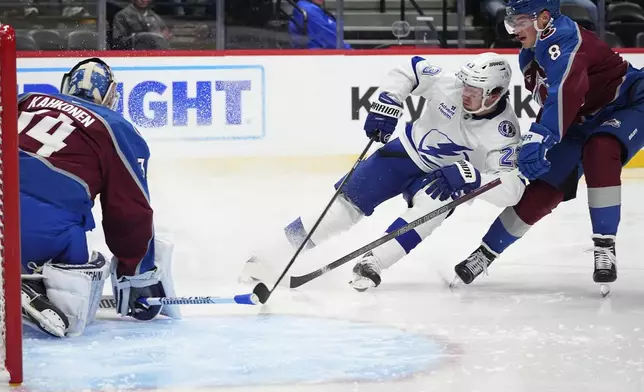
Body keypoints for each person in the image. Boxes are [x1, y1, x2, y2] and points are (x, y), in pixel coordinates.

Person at [241, 53, 525, 291]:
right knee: (340, 211)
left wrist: (474, 177)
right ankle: (273, 252)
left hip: (442, 177)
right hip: (403, 155)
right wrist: (389, 101)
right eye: (466, 86)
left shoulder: (504, 133)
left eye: (475, 91)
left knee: (435, 205)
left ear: (495, 94)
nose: (466, 93)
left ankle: (374, 260)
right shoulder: (449, 84)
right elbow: (410, 68)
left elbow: (512, 190)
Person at [452, 0, 644, 293]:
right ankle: (485, 253)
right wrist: (538, 142)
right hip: (580, 119)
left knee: (601, 149)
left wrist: (541, 136)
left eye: (520, 22)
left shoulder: (566, 40)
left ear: (543, 18)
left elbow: (567, 91)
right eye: (511, 22)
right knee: (544, 186)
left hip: (628, 103)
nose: (514, 30)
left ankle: (605, 246)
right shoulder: (528, 55)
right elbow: (551, 100)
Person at [19, 58, 180, 338]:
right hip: (38, 230)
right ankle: (32, 287)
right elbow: (129, 212)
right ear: (110, 95)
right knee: (86, 266)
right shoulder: (114, 126)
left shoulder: (25, 99)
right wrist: (136, 271)